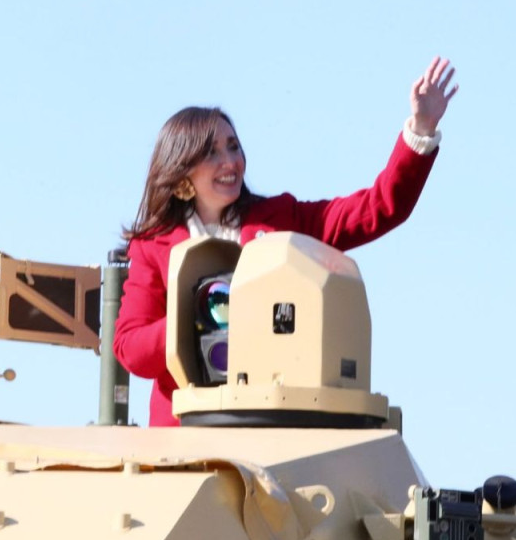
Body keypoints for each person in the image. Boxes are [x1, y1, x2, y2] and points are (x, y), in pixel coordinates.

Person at [115, 58, 458, 426]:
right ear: (181, 173)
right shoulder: (153, 246)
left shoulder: (283, 221)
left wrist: (421, 129)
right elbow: (130, 348)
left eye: (233, 146)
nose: (230, 161)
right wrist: (198, 313)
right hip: (187, 440)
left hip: (276, 432)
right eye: (211, 152)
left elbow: (380, 208)